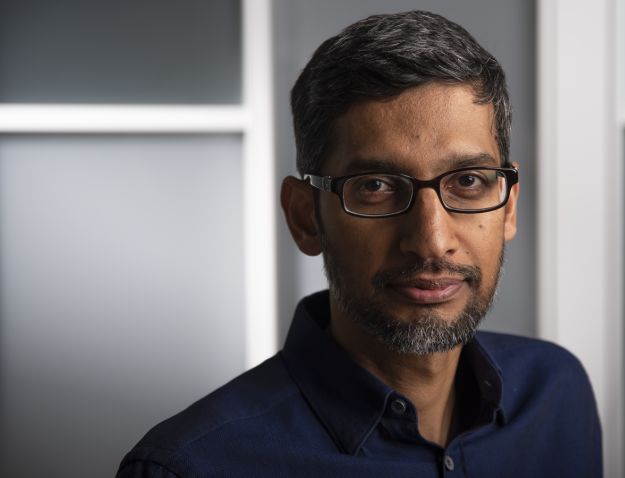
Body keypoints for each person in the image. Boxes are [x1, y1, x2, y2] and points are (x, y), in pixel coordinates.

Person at [117, 10, 600, 477]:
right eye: (375, 186)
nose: (431, 242)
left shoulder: (556, 395)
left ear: (509, 206)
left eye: (468, 181)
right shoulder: (191, 467)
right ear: (305, 217)